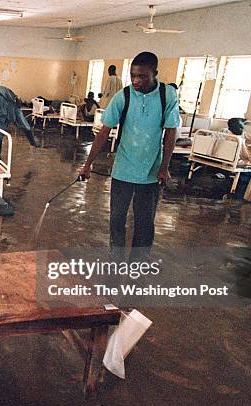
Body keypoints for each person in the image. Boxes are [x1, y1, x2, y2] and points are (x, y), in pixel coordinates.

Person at [79, 51, 179, 260]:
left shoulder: (167, 95)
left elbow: (171, 133)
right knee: (116, 219)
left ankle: (138, 263)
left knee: (144, 222)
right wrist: (87, 164)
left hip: (151, 172)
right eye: (133, 75)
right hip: (123, 169)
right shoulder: (123, 96)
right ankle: (116, 259)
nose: (136, 80)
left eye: (142, 76)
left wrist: (164, 167)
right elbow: (104, 132)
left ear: (155, 74)